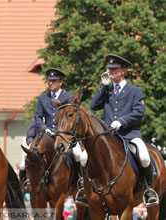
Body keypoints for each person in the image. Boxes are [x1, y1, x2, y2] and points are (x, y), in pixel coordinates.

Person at [89, 54, 158, 206]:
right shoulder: (106, 91)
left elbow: (139, 112)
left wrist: (121, 121)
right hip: (109, 137)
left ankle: (149, 190)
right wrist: (102, 86)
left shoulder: (135, 90)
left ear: (123, 71)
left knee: (145, 156)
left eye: (114, 69)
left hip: (129, 134)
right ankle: (83, 189)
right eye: (109, 69)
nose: (111, 72)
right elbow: (93, 106)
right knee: (83, 156)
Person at [34, 68, 87, 206]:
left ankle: (80, 184)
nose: (51, 83)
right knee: (30, 153)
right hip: (47, 135)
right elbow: (38, 117)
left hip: (65, 136)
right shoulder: (42, 98)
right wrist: (45, 129)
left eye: (54, 81)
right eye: (49, 81)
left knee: (78, 155)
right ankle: (28, 182)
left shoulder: (68, 97)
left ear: (60, 82)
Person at [19, 117, 38, 190]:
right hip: (36, 145)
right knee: (22, 165)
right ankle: (24, 182)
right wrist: (33, 144)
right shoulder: (35, 120)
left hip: (51, 145)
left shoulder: (54, 118)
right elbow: (30, 136)